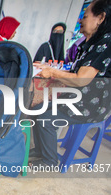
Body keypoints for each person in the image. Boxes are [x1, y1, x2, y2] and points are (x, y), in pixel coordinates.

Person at [31, 0, 111, 168]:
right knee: (36, 108)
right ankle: (41, 150)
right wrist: (48, 68)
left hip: (91, 104)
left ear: (101, 18)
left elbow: (82, 79)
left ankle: (49, 161)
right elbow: (75, 73)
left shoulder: (106, 43)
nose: (80, 20)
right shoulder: (89, 43)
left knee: (46, 118)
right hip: (77, 97)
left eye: (85, 16)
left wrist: (52, 72)